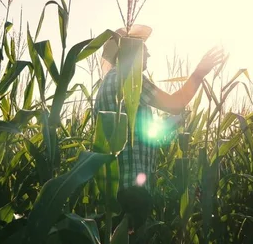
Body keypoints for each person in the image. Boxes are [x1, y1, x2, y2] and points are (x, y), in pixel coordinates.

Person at [94, 24, 224, 237]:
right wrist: (200, 72)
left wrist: (172, 122)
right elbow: (176, 102)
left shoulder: (109, 83)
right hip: (132, 190)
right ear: (129, 49)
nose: (149, 53)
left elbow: (140, 135)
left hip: (113, 189)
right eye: (143, 47)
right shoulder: (129, 78)